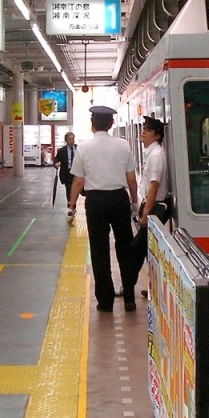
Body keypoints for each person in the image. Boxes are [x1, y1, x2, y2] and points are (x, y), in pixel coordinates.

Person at [68, 106, 138, 313]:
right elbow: (131, 179)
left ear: (92, 125)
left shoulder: (83, 148)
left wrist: (72, 206)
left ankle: (105, 302)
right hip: (119, 199)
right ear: (111, 123)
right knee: (125, 248)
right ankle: (129, 299)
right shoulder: (123, 145)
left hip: (95, 201)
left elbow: (78, 181)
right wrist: (134, 202)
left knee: (99, 250)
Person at [130, 115, 170, 286]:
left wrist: (146, 214)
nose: (143, 132)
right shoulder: (152, 153)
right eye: (143, 129)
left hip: (154, 208)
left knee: (136, 249)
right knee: (148, 251)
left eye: (148, 130)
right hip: (151, 206)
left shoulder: (156, 155)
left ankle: (128, 286)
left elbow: (154, 186)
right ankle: (154, 288)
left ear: (157, 135)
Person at [53, 131, 77, 205]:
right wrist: (56, 163)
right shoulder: (62, 151)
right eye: (70, 139)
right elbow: (56, 158)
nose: (72, 141)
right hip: (67, 173)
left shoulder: (78, 148)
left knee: (77, 189)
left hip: (77, 173)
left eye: (73, 139)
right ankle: (70, 205)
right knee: (69, 190)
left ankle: (73, 203)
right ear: (66, 140)